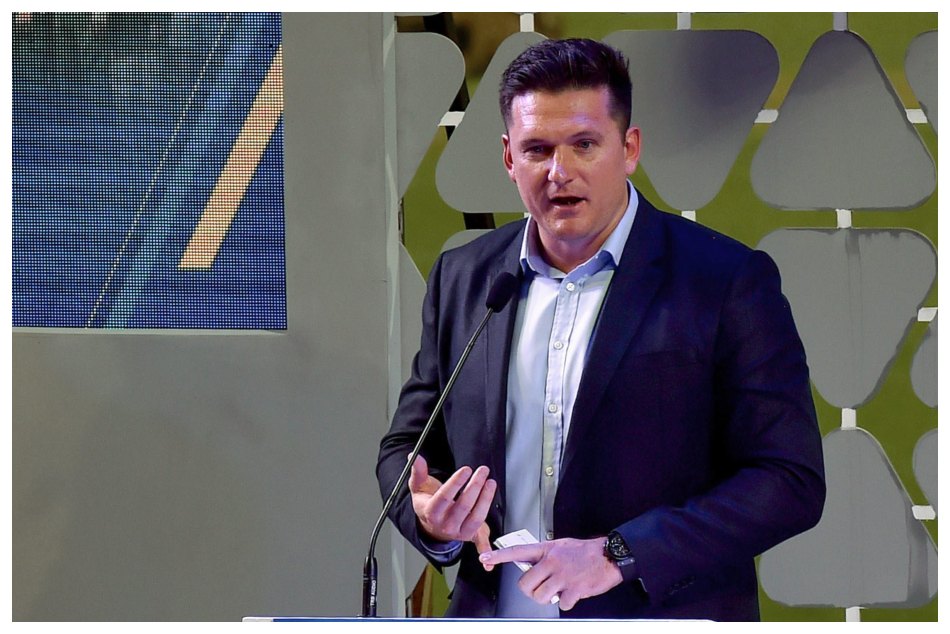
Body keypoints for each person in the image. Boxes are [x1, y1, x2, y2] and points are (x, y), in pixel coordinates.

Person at [376, 38, 825, 621]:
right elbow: (407, 450)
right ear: (509, 158)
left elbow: (788, 481)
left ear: (629, 148)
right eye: (537, 149)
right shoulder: (465, 277)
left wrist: (619, 554)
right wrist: (432, 519)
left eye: (584, 144)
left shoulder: (724, 280)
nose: (560, 172)